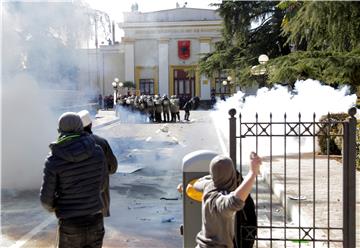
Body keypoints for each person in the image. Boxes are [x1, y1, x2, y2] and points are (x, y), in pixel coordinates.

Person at [40, 112, 106, 248]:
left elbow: (46, 200)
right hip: (95, 219)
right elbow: (103, 185)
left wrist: (60, 206)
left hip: (70, 223)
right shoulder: (97, 151)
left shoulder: (53, 159)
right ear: (80, 127)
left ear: (60, 130)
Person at [194, 153, 262, 248]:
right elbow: (235, 201)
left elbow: (197, 184)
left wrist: (215, 176)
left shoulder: (208, 187)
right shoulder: (220, 202)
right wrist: (252, 173)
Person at [78, 110, 118, 217]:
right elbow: (113, 167)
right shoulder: (101, 142)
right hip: (99, 200)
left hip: (76, 202)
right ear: (90, 125)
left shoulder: (69, 145)